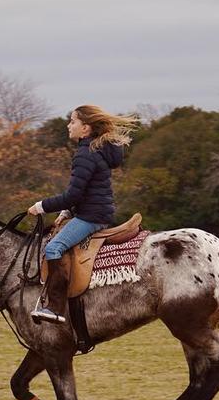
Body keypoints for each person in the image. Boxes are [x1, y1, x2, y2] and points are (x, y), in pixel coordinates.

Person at [27, 105, 137, 324]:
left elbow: (72, 195)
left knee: (53, 248)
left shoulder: (85, 154)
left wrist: (41, 206)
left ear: (85, 128)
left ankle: (55, 307)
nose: (69, 125)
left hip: (91, 217)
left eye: (72, 121)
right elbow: (82, 193)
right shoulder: (94, 151)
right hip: (94, 212)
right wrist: (66, 211)